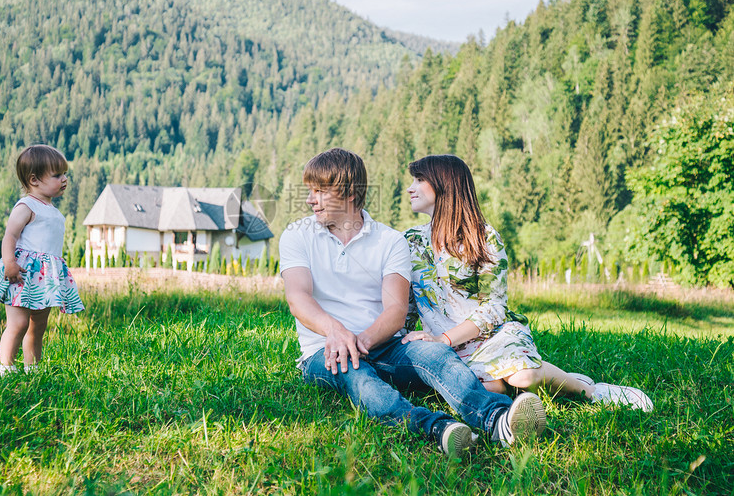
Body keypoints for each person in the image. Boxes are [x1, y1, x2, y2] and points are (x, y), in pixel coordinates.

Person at [279, 148, 547, 458]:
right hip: (323, 351)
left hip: (382, 343)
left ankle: (498, 419)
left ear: (349, 192)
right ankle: (436, 428)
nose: (310, 199)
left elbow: (395, 310)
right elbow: (298, 296)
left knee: (435, 353)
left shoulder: (390, 240)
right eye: (310, 191)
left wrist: (363, 340)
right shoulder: (297, 235)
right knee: (358, 377)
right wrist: (338, 333)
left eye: (319, 191)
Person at [402, 154, 653, 411]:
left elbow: (493, 307)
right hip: (445, 349)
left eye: (419, 179)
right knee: (492, 388)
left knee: (523, 377)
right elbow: (405, 304)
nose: (410, 187)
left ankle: (590, 391)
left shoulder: (483, 237)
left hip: (492, 336)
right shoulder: (409, 241)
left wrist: (444, 339)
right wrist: (401, 343)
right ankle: (538, 380)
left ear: (445, 184)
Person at [0, 144, 84, 376]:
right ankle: (6, 368)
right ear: (34, 179)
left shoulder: (54, 211)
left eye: (65, 174)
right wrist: (9, 263)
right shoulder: (26, 206)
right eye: (57, 175)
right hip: (23, 274)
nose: (64, 179)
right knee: (18, 324)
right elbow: (11, 236)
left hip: (43, 279)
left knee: (38, 327)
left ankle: (33, 369)